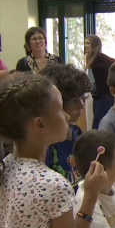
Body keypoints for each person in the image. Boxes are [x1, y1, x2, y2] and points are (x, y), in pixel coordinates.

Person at [0, 75, 105, 228]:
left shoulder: (7, 166)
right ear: (40, 124)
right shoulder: (53, 185)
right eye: (60, 109)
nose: (67, 116)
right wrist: (91, 193)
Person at [39, 64, 92, 193]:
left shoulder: (77, 132)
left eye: (82, 98)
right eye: (74, 100)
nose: (81, 105)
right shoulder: (46, 143)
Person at [85, 35, 115, 129]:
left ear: (94, 45)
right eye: (85, 43)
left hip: (105, 96)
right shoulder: (90, 58)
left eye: (88, 43)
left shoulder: (101, 59)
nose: (85, 46)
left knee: (99, 124)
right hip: (96, 97)